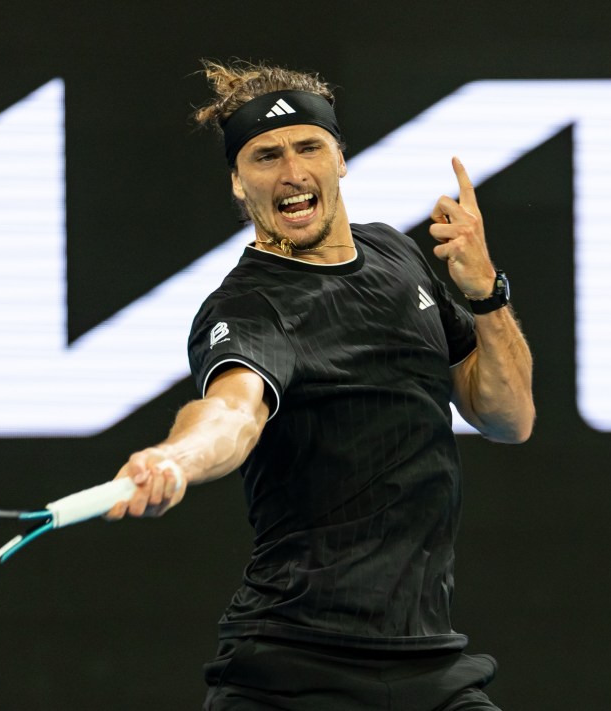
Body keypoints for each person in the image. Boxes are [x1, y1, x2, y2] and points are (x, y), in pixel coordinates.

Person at [106, 59, 535, 710]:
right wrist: (175, 457)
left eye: (309, 146)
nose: (292, 172)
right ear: (237, 183)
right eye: (265, 156)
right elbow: (231, 412)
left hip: (431, 666)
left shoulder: (397, 256)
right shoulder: (247, 307)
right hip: (290, 673)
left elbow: (509, 416)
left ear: (340, 159)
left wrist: (484, 294)